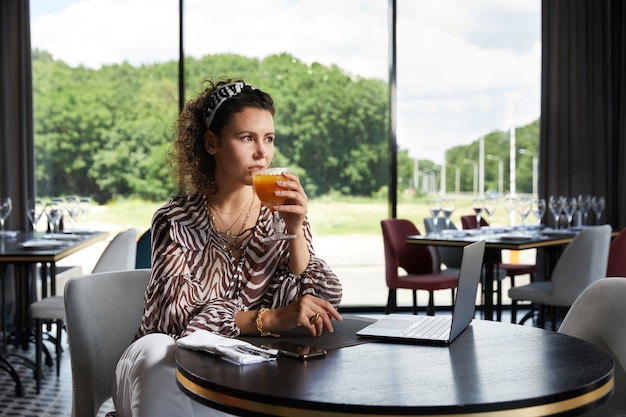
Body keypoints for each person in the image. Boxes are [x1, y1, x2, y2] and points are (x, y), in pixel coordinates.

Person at [111, 79, 342, 417]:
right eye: (246, 137)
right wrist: (272, 318)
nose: (262, 152)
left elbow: (320, 298)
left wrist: (295, 229)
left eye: (269, 139)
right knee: (160, 352)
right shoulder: (176, 220)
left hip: (236, 368)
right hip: (156, 366)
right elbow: (176, 322)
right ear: (211, 143)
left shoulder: (282, 213)